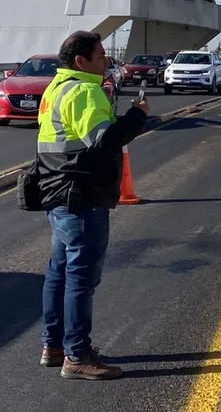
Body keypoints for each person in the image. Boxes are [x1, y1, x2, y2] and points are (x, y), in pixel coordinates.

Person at [36, 30, 150, 380]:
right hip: (82, 196)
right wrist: (137, 116)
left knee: (59, 272)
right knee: (81, 279)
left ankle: (53, 345)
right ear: (81, 61)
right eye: (101, 56)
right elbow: (104, 141)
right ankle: (77, 355)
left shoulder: (57, 87)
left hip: (57, 193)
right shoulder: (86, 91)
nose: (107, 61)